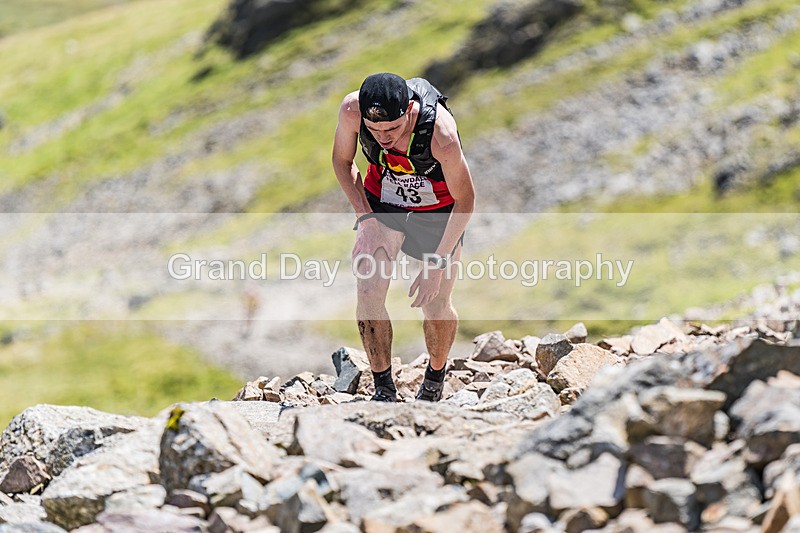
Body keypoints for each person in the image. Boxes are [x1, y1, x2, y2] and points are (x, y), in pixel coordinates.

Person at [331, 72, 475, 402]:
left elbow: (466, 200)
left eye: (393, 129)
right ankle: (383, 388)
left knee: (436, 303)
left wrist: (437, 263)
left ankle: (434, 380)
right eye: (376, 130)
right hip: (383, 203)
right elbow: (342, 161)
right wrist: (365, 218)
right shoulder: (351, 110)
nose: (383, 138)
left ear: (409, 110)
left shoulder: (440, 134)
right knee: (368, 289)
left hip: (439, 210)